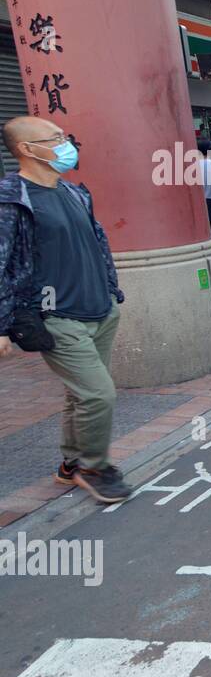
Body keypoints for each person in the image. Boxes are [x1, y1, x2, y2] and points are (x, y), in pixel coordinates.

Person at [0, 116, 132, 503]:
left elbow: (96, 242)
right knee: (98, 395)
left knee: (82, 394)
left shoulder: (74, 193)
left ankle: (71, 464)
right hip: (55, 315)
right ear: (26, 149)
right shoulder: (10, 199)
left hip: (100, 310)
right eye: (54, 138)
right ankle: (94, 466)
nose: (65, 143)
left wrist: (111, 293)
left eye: (63, 136)